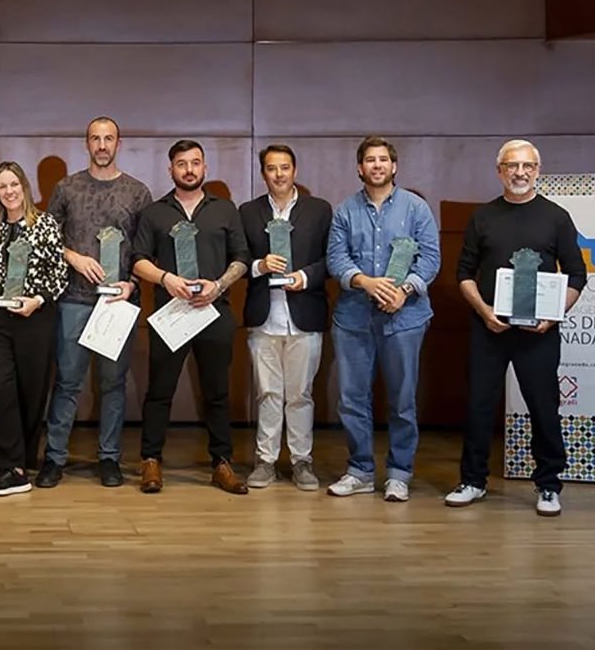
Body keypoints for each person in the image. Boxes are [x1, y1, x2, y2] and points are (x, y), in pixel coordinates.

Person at [445, 139, 585, 516]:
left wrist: (553, 315)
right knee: (478, 405)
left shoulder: (556, 217)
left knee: (543, 407)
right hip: (488, 328)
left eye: (527, 166)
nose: (519, 173)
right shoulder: (483, 217)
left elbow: (576, 274)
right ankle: (473, 481)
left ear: (537, 170)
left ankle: (549, 485)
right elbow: (463, 274)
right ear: (499, 171)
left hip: (538, 332)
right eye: (511, 166)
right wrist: (485, 310)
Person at [36, 117, 152, 489]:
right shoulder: (66, 188)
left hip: (117, 301)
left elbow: (145, 249)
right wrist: (72, 256)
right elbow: (47, 238)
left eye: (109, 139)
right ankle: (54, 459)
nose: (102, 145)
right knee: (68, 383)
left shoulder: (137, 192)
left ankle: (109, 459)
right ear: (87, 144)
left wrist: (132, 285)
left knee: (113, 384)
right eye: (95, 139)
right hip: (73, 299)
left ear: (119, 144)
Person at [131, 140, 250, 494]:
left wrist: (219, 284)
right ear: (171, 169)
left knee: (217, 392)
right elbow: (137, 260)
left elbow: (242, 257)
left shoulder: (225, 209)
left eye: (195, 163)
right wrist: (166, 279)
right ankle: (151, 462)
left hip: (215, 311)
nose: (188, 169)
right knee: (159, 391)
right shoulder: (154, 213)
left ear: (205, 168)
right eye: (181, 163)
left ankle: (222, 463)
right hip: (171, 313)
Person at [326, 136, 440, 502]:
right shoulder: (345, 211)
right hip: (354, 318)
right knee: (352, 398)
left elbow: (430, 260)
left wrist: (402, 291)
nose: (377, 165)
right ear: (359, 168)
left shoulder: (416, 208)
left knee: (402, 399)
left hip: (405, 319)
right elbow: (337, 259)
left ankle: (399, 473)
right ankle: (359, 469)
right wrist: (366, 283)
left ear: (394, 166)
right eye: (369, 160)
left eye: (383, 160)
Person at [239, 144, 332, 491]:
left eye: (285, 167)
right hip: (264, 317)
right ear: (263, 173)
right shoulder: (248, 212)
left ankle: (301, 461)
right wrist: (258, 266)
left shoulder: (319, 210)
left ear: (295, 170)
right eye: (271, 168)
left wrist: (305, 277)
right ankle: (264, 461)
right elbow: (236, 260)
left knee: (300, 394)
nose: (279, 174)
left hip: (305, 314)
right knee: (267, 393)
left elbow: (331, 259)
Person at [0, 162, 68, 496]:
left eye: (14, 184)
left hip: (35, 315)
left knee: (31, 390)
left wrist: (38, 300)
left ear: (24, 187)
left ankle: (24, 459)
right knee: (1, 389)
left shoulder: (44, 224)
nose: (9, 191)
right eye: (2, 186)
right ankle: (11, 467)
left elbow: (59, 274)